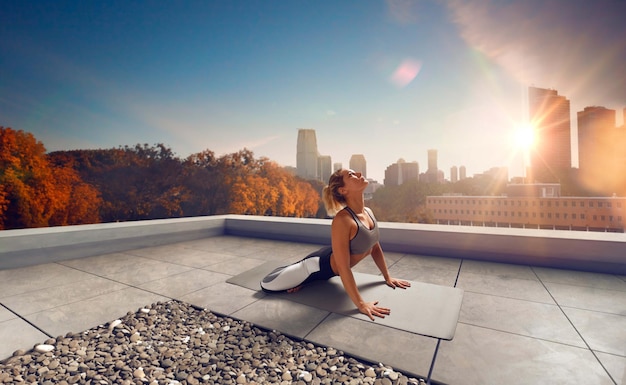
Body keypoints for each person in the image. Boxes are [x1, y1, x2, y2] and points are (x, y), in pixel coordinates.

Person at [260, 169, 410, 320]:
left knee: (299, 281)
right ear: (343, 190)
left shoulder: (368, 212)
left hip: (329, 258)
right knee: (268, 285)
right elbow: (343, 268)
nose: (358, 173)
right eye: (351, 175)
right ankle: (300, 275)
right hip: (316, 265)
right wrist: (361, 304)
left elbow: (375, 247)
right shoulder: (343, 220)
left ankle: (303, 279)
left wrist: (387, 277)